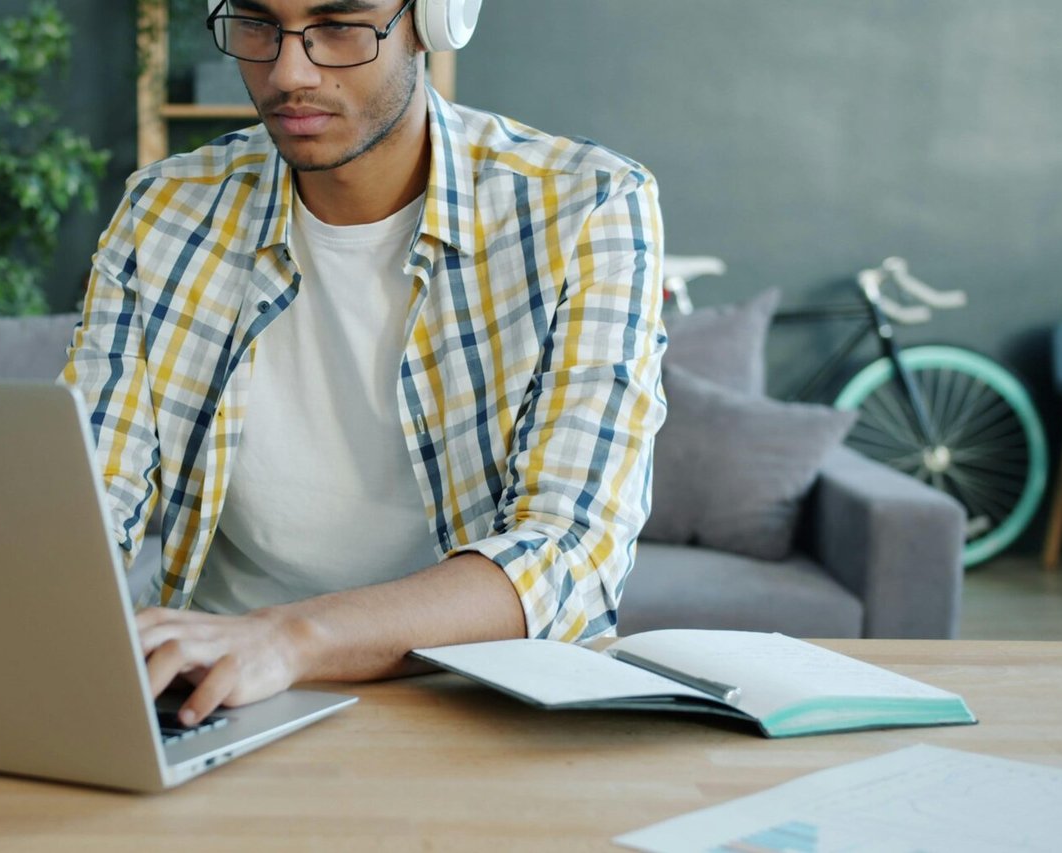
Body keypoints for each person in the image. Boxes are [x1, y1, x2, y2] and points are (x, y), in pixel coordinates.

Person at [61, 0, 667, 727]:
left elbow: (571, 553)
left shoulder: (585, 207)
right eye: (256, 25)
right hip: (217, 691)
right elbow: (85, 498)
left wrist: (290, 637)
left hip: (475, 698)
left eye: (340, 26)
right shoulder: (164, 209)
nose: (288, 71)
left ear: (434, 20)